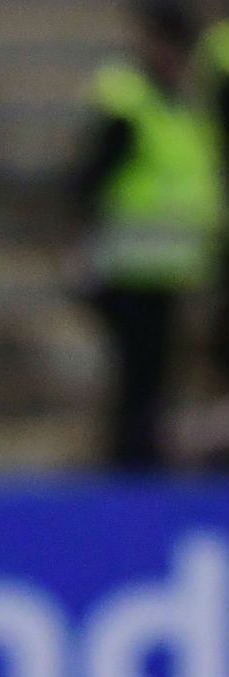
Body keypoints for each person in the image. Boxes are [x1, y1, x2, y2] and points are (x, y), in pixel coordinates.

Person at [77, 2, 224, 469]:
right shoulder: (130, 100)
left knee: (162, 380)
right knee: (136, 380)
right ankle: (132, 468)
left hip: (177, 268)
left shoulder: (187, 108)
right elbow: (91, 179)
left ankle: (151, 463)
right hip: (129, 266)